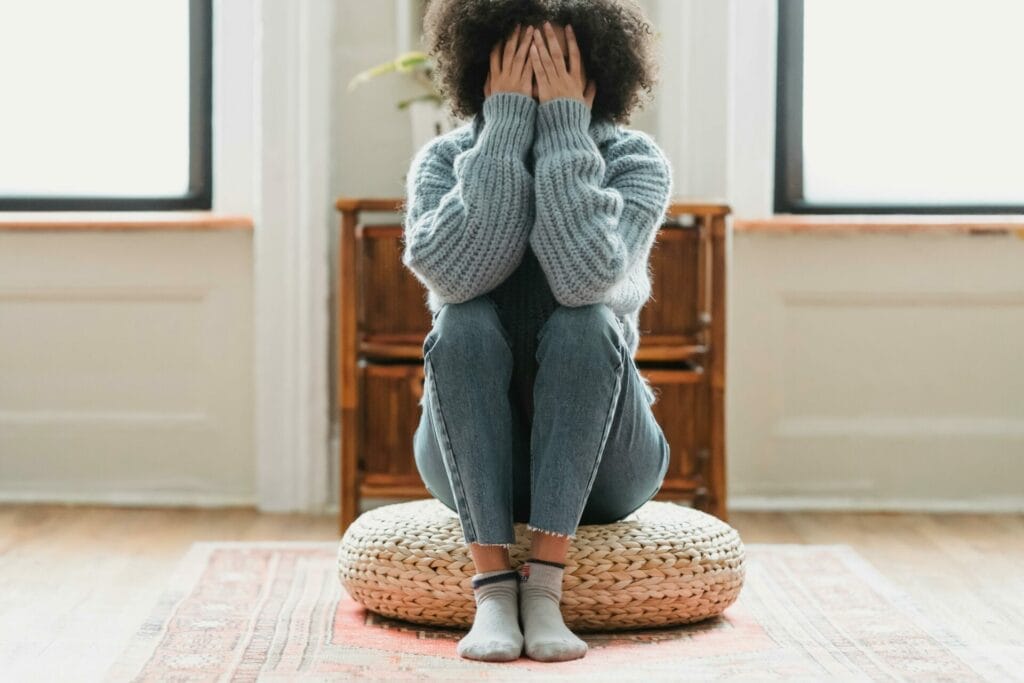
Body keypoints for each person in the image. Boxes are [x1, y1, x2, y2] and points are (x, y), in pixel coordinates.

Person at [402, 0, 672, 663]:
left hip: (609, 463)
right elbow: (458, 275)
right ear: (483, 64)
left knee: (585, 321)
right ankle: (494, 586)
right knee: (461, 320)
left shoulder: (635, 161)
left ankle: (544, 585)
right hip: (466, 456)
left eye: (557, 60)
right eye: (519, 56)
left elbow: (585, 280)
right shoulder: (442, 162)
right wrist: (505, 132)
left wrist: (564, 132)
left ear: (595, 67)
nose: (537, 71)